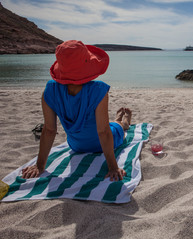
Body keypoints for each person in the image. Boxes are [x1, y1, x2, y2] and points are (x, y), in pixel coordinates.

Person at [22, 40, 131, 181]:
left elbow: (49, 130)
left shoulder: (50, 90)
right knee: (116, 128)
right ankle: (124, 122)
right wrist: (113, 167)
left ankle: (117, 120)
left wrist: (40, 165)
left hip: (75, 145)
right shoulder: (98, 90)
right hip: (99, 144)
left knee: (102, 123)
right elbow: (103, 132)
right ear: (87, 65)